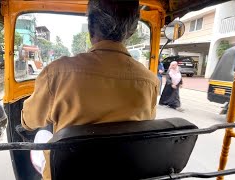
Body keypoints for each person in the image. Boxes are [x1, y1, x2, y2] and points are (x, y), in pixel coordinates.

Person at [21, 0, 159, 179]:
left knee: (41, 135)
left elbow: (28, 121)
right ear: (131, 30)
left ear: (91, 27)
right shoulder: (150, 82)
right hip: (121, 172)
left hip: (66, 173)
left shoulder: (57, 73)